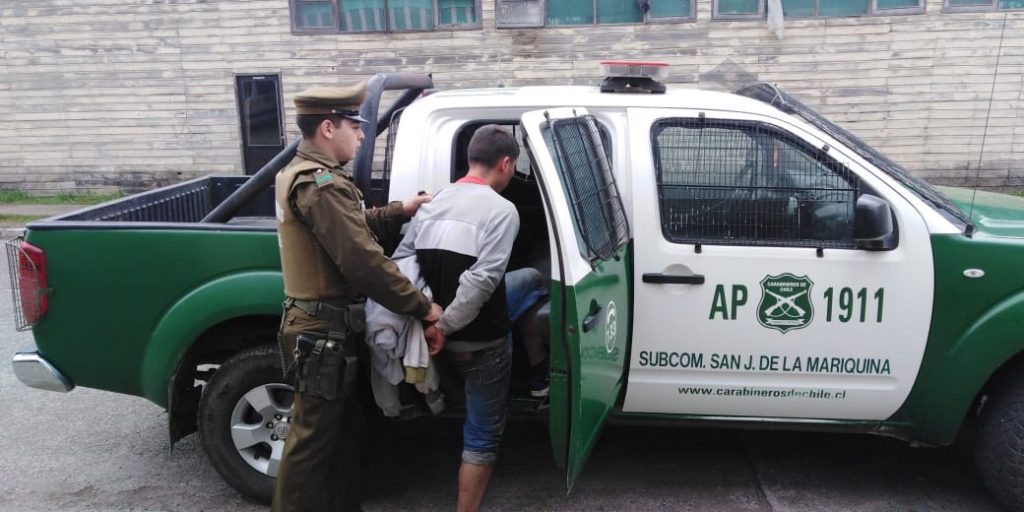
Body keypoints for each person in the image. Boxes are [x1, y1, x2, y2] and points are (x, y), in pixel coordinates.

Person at [272, 82, 442, 512]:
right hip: (321, 330)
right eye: (355, 126)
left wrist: (400, 211)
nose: (363, 135)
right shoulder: (320, 183)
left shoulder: (309, 176)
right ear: (328, 128)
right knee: (310, 445)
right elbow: (362, 259)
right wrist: (422, 306)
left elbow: (352, 225)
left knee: (339, 435)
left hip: (326, 328)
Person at [392, 124, 520, 512]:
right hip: (480, 343)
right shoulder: (503, 211)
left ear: (470, 159)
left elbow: (401, 264)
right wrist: (444, 326)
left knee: (526, 281)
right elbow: (481, 282)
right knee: (482, 435)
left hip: (429, 332)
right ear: (506, 163)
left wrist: (429, 316)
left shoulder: (432, 202)